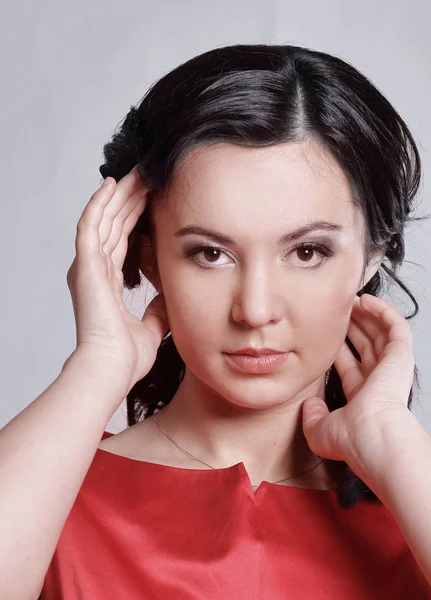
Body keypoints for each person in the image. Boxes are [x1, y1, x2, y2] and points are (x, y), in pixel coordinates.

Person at [1, 42, 430, 599]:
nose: (254, 310)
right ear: (149, 258)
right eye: (210, 253)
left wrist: (393, 443)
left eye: (306, 252)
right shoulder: (49, 497)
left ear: (373, 255)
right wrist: (98, 366)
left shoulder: (411, 511)